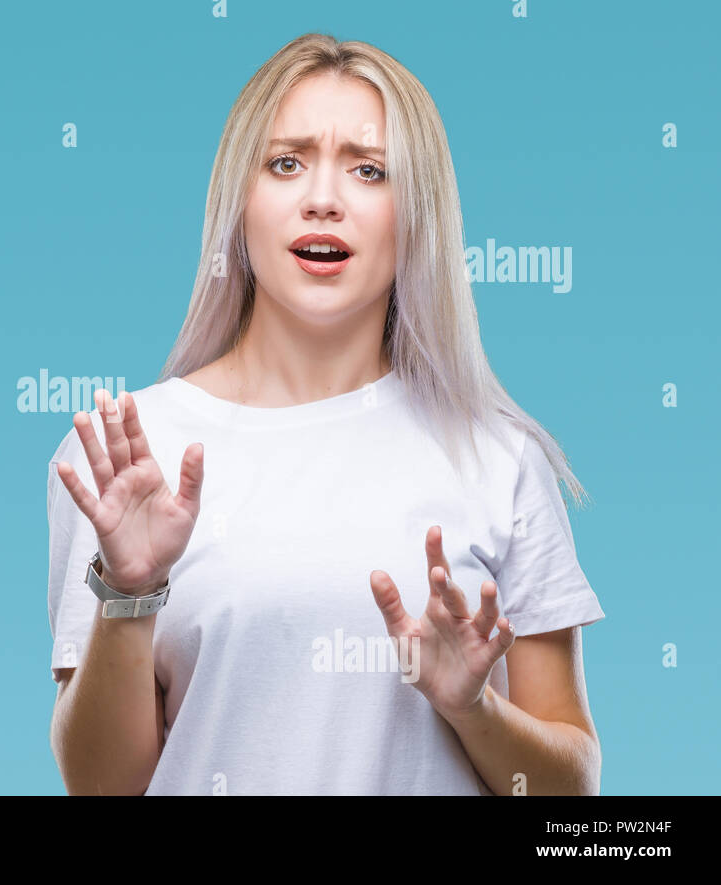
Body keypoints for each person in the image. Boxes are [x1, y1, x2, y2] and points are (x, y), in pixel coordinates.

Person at [45, 33, 605, 796]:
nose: (323, 198)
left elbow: (572, 794)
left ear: (417, 215)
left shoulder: (500, 460)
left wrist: (473, 707)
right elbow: (101, 787)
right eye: (286, 162)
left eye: (370, 170)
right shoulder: (127, 457)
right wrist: (129, 591)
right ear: (239, 201)